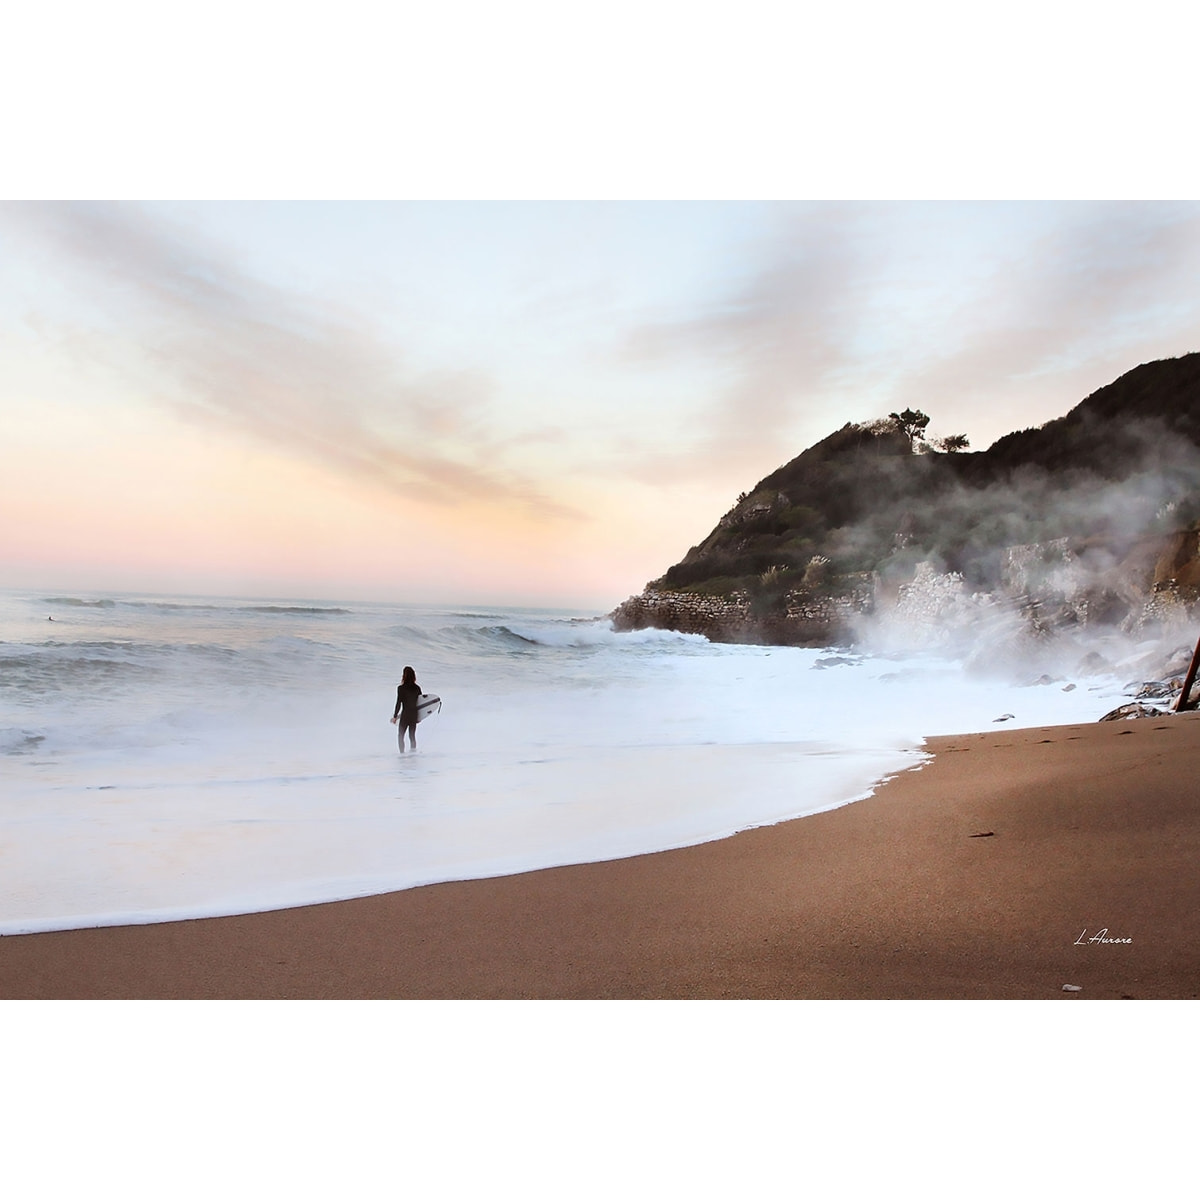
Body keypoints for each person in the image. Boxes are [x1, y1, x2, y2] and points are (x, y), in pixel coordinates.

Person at [390, 665, 422, 753]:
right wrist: (419, 716)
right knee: (412, 736)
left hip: (405, 715)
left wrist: (395, 716)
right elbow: (420, 703)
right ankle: (413, 754)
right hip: (414, 715)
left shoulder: (401, 688)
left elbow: (398, 703)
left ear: (404, 676)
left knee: (400, 736)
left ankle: (402, 754)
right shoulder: (417, 688)